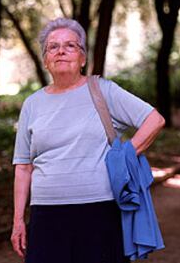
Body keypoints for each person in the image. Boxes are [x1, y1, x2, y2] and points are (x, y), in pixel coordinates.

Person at [10, 17, 165, 263]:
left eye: (70, 45)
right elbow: (23, 167)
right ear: (45, 60)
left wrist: (124, 155)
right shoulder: (32, 104)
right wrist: (18, 220)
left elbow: (154, 120)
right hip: (46, 215)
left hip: (99, 211)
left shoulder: (103, 91)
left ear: (83, 57)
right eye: (53, 46)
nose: (61, 51)